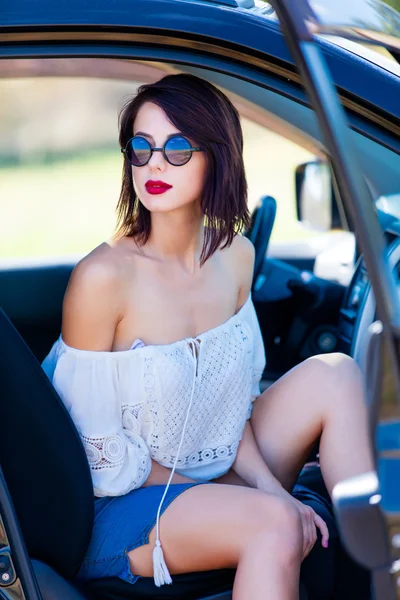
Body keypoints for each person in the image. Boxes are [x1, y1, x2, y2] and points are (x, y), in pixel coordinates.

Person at [42, 73, 375, 600]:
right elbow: (97, 456)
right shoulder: (103, 279)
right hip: (120, 506)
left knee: (335, 374)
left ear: (217, 156)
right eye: (141, 147)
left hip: (213, 474)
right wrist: (258, 505)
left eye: (177, 148)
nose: (153, 163)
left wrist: (270, 488)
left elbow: (231, 407)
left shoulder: (234, 257)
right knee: (275, 524)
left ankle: (380, 571)